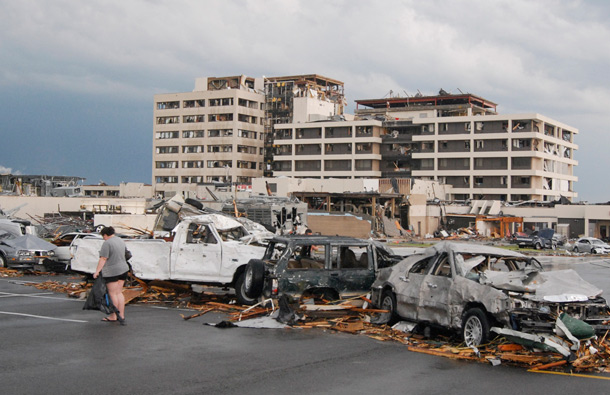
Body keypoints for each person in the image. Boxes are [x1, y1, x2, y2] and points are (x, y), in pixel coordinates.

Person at [94, 226, 129, 324]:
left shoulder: (107, 243)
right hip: (124, 269)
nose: (103, 238)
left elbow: (103, 258)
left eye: (103, 236)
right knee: (119, 293)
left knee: (112, 294)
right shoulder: (120, 240)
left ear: (105, 235)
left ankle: (113, 315)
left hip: (112, 271)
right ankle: (121, 315)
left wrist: (97, 271)